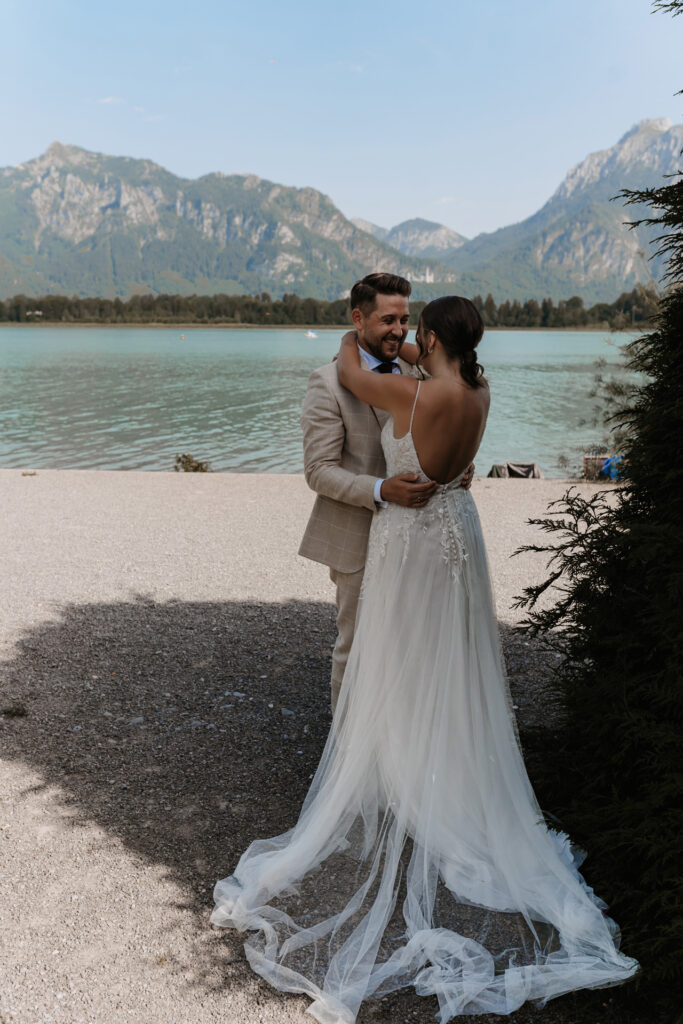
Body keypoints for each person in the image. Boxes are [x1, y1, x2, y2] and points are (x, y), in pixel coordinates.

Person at [211, 296, 638, 1021]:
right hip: (457, 526)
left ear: (430, 335)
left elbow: (350, 366)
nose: (402, 334)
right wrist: (414, 350)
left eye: (414, 328)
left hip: (409, 534)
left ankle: (392, 771)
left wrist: (364, 339)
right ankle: (435, 765)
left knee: (394, 648)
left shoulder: (406, 389)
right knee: (453, 656)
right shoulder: (475, 387)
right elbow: (405, 384)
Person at [298, 272, 472, 711]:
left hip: (420, 540)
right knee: (356, 648)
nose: (398, 330)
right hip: (358, 533)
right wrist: (380, 489)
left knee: (415, 645)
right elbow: (319, 471)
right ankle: (346, 756)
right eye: (388, 319)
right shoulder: (328, 382)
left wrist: (455, 468)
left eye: (406, 320)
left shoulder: (421, 371)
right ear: (358, 318)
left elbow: (439, 435)